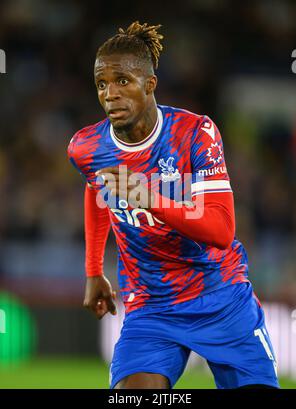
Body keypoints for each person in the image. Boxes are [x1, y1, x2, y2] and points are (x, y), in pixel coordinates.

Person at [68, 21, 279, 389]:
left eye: (122, 81)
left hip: (219, 298)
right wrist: (92, 269)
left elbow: (221, 229)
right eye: (102, 83)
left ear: (150, 85)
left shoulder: (195, 133)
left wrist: (150, 199)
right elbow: (96, 189)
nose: (110, 94)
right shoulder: (85, 147)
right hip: (150, 308)